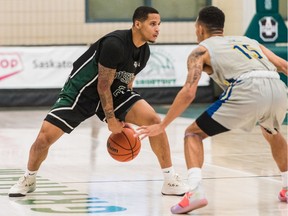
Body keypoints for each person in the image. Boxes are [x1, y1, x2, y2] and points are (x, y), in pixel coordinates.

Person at [8, 6, 189, 197]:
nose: (157, 29)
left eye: (159, 24)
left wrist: (125, 113)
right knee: (44, 139)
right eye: (153, 24)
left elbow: (127, 82)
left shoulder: (144, 52)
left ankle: (170, 179)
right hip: (81, 91)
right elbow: (102, 85)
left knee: (154, 120)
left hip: (114, 91)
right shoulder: (115, 43)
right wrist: (111, 119)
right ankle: (29, 178)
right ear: (137, 24)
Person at [136, 6, 288, 214]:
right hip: (277, 87)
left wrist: (163, 125)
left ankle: (196, 191)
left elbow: (189, 92)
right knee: (272, 131)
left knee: (192, 133)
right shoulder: (250, 42)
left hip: (248, 87)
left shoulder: (201, 50)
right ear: (221, 28)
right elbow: (284, 65)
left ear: (199, 28)